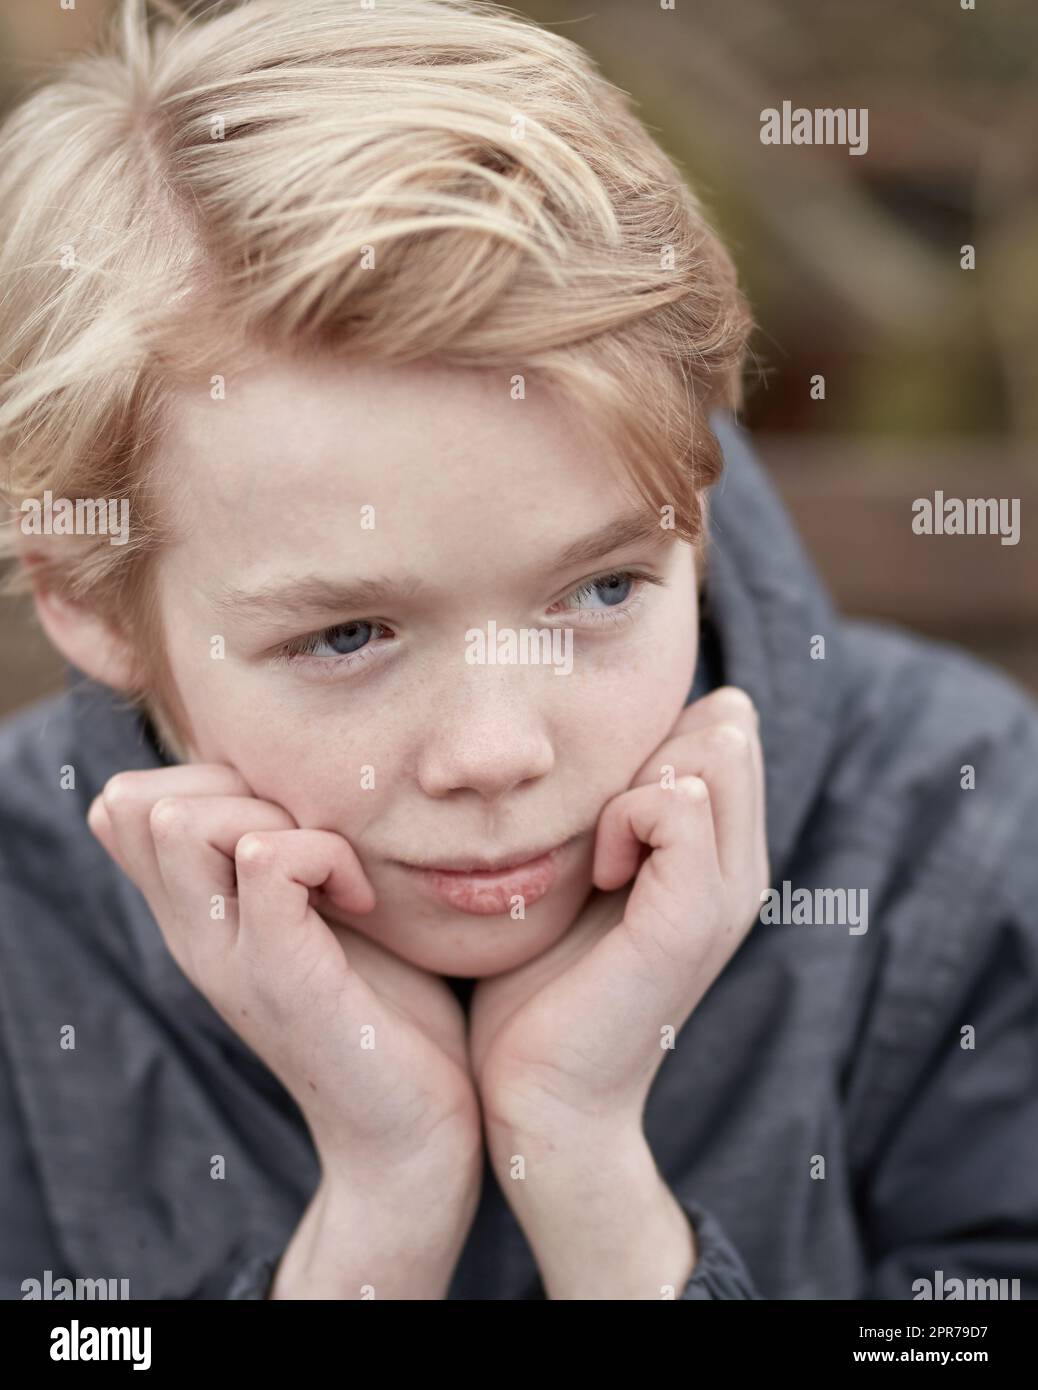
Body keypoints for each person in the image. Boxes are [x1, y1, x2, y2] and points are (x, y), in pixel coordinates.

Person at [1, 0, 1035, 1301]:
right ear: (86, 595)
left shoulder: (963, 825)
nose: (495, 751)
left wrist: (587, 1168)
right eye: (347, 633)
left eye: (600, 588)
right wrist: (382, 1203)